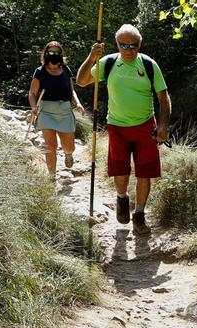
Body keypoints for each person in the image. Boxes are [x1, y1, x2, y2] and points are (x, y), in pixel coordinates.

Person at [76, 24, 171, 235]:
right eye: (124, 45)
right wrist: (92, 57)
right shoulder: (108, 63)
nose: (128, 49)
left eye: (133, 45)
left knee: (144, 173)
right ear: (117, 44)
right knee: (120, 171)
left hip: (145, 126)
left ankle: (139, 215)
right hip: (117, 126)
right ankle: (121, 198)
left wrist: (163, 125)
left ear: (140, 44)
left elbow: (163, 97)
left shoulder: (148, 65)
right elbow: (81, 81)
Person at [30, 41, 87, 179]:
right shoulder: (40, 72)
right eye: (51, 52)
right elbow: (32, 93)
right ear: (45, 54)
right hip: (46, 112)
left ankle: (68, 154)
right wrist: (33, 107)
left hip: (65, 111)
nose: (53, 55)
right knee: (50, 147)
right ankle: (52, 177)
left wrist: (78, 104)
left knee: (69, 147)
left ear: (60, 55)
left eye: (57, 52)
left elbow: (71, 91)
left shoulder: (66, 70)